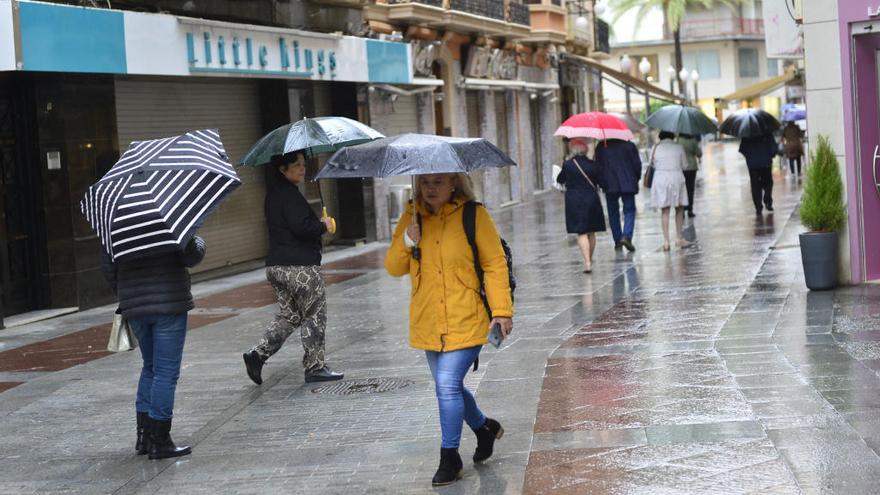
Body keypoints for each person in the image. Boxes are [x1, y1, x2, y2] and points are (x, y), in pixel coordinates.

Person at [384, 173, 513, 487]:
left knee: (446, 384)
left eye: (438, 182)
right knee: (450, 388)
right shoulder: (412, 217)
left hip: (467, 317)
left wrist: (501, 312)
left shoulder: (474, 215)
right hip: (429, 321)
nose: (430, 188)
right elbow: (393, 267)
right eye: (425, 182)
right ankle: (484, 428)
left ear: (454, 183)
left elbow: (495, 264)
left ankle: (450, 457)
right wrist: (406, 241)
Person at [101, 235, 206, 460]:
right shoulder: (168, 220)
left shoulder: (115, 224)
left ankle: (144, 436)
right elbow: (191, 256)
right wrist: (197, 241)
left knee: (150, 367)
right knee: (166, 372)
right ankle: (160, 440)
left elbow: (108, 267)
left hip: (135, 306)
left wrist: (126, 294)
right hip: (169, 302)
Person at [242, 152, 343, 386]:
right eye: (296, 165)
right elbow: (301, 228)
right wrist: (322, 225)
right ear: (282, 169)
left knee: (290, 316)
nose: (302, 168)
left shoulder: (274, 195)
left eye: (303, 164)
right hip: (300, 269)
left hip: (277, 266)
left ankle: (257, 355)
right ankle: (315, 367)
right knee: (314, 314)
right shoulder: (289, 195)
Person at [556, 139, 607, 272]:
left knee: (581, 232)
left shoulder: (568, 165)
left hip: (574, 201)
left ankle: (587, 262)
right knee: (591, 231)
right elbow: (601, 182)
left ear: (573, 150)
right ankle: (589, 258)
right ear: (585, 150)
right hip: (592, 199)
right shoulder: (593, 164)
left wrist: (567, 163)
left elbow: (560, 179)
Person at [595, 138, 641, 252]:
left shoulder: (601, 146)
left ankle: (617, 240)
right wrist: (635, 178)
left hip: (609, 184)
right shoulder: (629, 146)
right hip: (628, 183)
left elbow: (598, 167)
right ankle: (627, 236)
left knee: (613, 213)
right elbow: (637, 164)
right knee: (629, 210)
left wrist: (601, 182)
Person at [649, 131, 691, 251]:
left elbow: (652, 164)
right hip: (676, 178)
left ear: (660, 137)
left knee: (665, 211)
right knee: (679, 208)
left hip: (661, 179)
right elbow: (685, 165)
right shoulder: (678, 147)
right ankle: (678, 237)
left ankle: (666, 241)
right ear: (672, 136)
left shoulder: (655, 148)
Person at [739, 133, 777, 215]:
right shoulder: (766, 131)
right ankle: (767, 200)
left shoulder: (747, 133)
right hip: (766, 162)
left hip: (752, 164)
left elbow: (742, 149)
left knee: (755, 184)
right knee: (768, 182)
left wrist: (750, 156)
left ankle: (758, 207)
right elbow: (773, 148)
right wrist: (770, 154)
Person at [678, 133, 702, 218]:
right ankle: (690, 210)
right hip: (691, 168)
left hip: (681, 168)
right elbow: (699, 154)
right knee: (690, 189)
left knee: (681, 190)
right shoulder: (693, 141)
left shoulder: (678, 141)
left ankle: (682, 210)